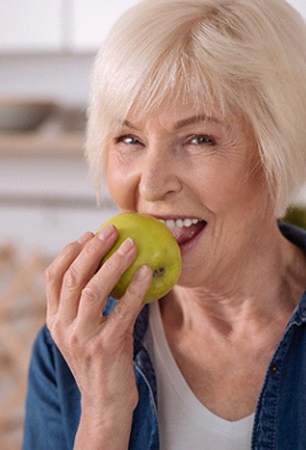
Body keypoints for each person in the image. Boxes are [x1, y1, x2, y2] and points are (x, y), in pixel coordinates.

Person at [23, 0, 306, 448]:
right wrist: (103, 412)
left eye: (199, 138)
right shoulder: (73, 346)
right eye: (129, 138)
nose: (152, 185)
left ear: (279, 150)